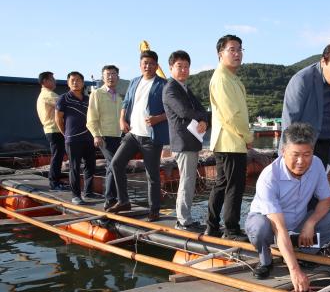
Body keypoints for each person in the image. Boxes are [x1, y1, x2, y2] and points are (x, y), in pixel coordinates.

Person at [245, 123, 330, 292]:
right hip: (270, 222)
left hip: (298, 221)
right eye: (295, 154)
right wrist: (294, 271)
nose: (301, 161)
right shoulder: (269, 177)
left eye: (307, 154)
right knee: (260, 228)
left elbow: (326, 199)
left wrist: (310, 223)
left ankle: (307, 253)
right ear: (283, 151)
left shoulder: (317, 164)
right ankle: (266, 260)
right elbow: (278, 226)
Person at [107, 50, 168, 222]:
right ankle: (123, 201)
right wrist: (121, 119)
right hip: (133, 134)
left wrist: (158, 118)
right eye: (144, 63)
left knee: (152, 175)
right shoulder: (134, 81)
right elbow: (126, 102)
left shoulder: (163, 84)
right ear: (140, 65)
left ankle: (154, 209)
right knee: (116, 163)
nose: (147, 66)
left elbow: (171, 111)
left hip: (151, 137)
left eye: (151, 63)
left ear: (156, 66)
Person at [205, 35, 253, 240]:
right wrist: (248, 136)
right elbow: (233, 114)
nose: (237, 53)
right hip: (231, 141)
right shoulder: (223, 78)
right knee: (234, 186)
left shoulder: (229, 77)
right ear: (220, 54)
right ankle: (231, 229)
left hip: (226, 141)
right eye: (232, 50)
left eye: (240, 49)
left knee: (222, 184)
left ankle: (212, 226)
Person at [281, 42, 330, 171]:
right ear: (323, 61)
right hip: (303, 151)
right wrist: (287, 157)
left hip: (327, 148)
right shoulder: (302, 80)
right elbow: (289, 123)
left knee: (319, 190)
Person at [163, 50, 209, 231]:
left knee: (188, 180)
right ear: (171, 68)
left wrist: (205, 119)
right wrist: (202, 117)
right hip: (183, 142)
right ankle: (183, 220)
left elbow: (200, 109)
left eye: (186, 66)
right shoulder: (170, 89)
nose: (183, 70)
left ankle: (185, 218)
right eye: (179, 66)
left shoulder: (185, 88)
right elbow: (183, 112)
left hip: (191, 140)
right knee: (187, 181)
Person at [55, 71, 96, 205]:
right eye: (72, 80)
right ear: (68, 83)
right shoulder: (63, 98)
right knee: (74, 167)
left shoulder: (88, 99)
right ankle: (76, 196)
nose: (75, 82)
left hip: (89, 137)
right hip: (73, 139)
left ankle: (89, 191)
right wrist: (66, 133)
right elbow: (58, 119)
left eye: (78, 80)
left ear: (83, 83)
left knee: (90, 165)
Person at [86, 65, 123, 210]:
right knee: (115, 164)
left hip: (118, 136)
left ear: (118, 77)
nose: (110, 77)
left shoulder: (119, 96)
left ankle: (112, 199)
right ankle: (111, 199)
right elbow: (91, 117)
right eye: (107, 74)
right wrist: (96, 135)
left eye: (113, 74)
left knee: (111, 166)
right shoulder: (97, 93)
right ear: (102, 77)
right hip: (104, 136)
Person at [36, 71, 68, 191]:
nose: (55, 81)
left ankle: (56, 181)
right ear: (45, 81)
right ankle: (54, 183)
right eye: (52, 79)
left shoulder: (45, 94)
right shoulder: (48, 95)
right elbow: (64, 103)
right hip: (54, 130)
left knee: (58, 156)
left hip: (52, 130)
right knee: (57, 156)